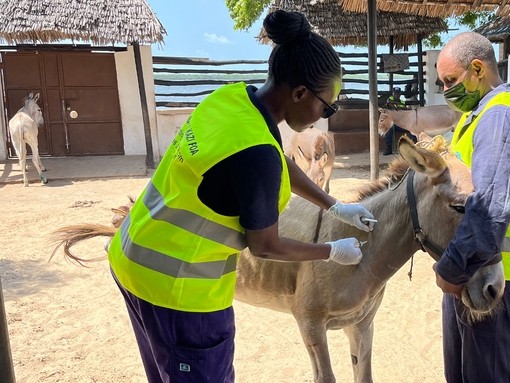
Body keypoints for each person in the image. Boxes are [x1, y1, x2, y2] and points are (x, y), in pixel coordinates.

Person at [107, 10, 376, 383]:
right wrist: (331, 251)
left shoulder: (232, 99)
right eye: (326, 106)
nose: (324, 115)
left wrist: (335, 205)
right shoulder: (258, 154)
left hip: (133, 253)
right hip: (178, 288)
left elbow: (277, 162)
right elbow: (266, 246)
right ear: (299, 93)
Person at [434, 31, 510, 382]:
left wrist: (453, 267)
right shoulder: (474, 115)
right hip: (472, 268)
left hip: (489, 276)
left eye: (450, 80)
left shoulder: (497, 117)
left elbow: (491, 204)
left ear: (477, 69)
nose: (445, 90)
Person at [383, 87, 417, 155]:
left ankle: (414, 147)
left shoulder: (402, 102)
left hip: (403, 123)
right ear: (392, 93)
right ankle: (388, 148)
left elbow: (405, 110)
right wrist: (400, 107)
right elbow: (389, 103)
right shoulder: (389, 100)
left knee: (413, 128)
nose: (396, 95)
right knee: (389, 127)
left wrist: (400, 107)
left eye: (398, 93)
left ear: (400, 94)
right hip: (394, 123)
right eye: (395, 93)